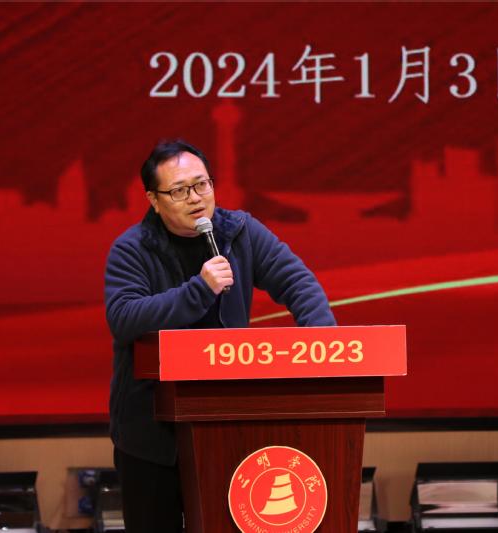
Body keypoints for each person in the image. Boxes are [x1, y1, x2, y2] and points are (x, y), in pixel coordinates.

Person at [104, 140, 336, 532]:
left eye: (202, 185)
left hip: (225, 424)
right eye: (179, 191)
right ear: (154, 200)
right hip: (151, 434)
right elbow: (124, 317)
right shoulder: (132, 249)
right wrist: (199, 290)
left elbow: (298, 283)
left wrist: (324, 348)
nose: (196, 198)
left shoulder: (239, 232)